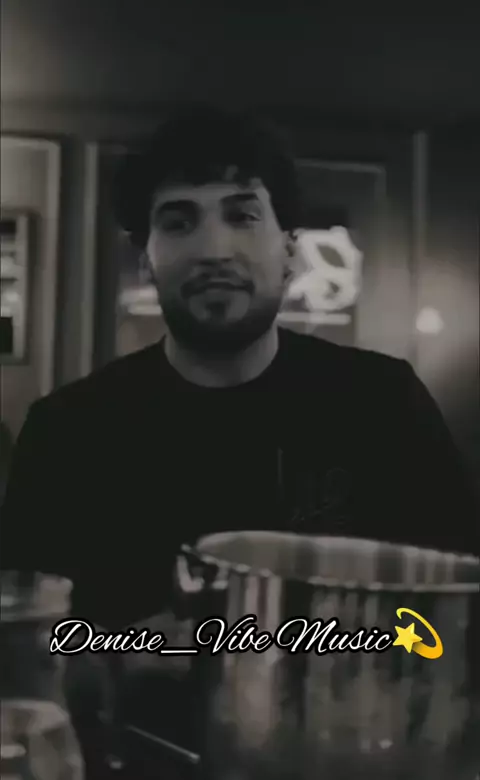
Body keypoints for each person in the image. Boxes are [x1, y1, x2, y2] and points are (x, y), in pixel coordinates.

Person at [1, 104, 478, 632]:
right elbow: (30, 642)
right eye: (179, 223)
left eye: (243, 216)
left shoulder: (384, 403)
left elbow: (454, 619)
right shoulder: (66, 431)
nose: (214, 249)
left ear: (290, 251)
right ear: (146, 261)